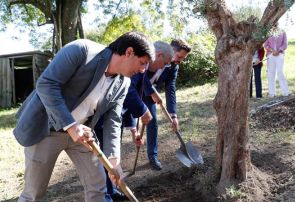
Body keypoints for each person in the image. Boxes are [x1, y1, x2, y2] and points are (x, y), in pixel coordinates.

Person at [13, 31, 155, 202]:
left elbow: (113, 120)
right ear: (129, 52)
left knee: (98, 187)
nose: (142, 70)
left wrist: (114, 160)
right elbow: (47, 84)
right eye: (142, 63)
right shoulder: (81, 51)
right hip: (47, 129)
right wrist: (71, 125)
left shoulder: (123, 83)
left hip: (83, 134)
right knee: (33, 194)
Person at [95, 41, 174, 201]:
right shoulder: (137, 65)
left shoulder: (142, 68)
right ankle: (106, 195)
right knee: (103, 157)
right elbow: (129, 90)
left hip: (115, 115)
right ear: (158, 55)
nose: (161, 68)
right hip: (100, 117)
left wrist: (133, 130)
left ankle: (111, 191)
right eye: (163, 63)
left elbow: (128, 99)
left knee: (109, 157)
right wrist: (143, 110)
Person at [143, 39, 191, 170]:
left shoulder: (174, 67)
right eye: (179, 56)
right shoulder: (151, 55)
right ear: (171, 50)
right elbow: (140, 75)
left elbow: (171, 89)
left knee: (152, 122)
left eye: (183, 58)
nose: (180, 60)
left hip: (149, 96)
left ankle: (152, 156)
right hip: (133, 90)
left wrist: (173, 114)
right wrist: (151, 91)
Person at [264, 22, 290, 97]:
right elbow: (265, 45)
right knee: (270, 73)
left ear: (278, 22)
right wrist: (272, 51)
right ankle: (272, 93)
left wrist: (278, 50)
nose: (275, 23)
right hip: (270, 55)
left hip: (280, 54)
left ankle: (285, 92)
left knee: (280, 71)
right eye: (273, 22)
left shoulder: (283, 32)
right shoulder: (268, 33)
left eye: (276, 22)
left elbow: (285, 44)